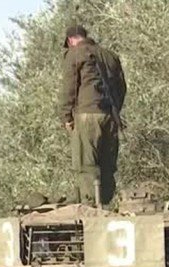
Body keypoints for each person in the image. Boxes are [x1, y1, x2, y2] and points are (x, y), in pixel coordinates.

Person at [58, 24, 127, 206]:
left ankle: (90, 208)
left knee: (86, 164)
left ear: (71, 40)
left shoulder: (74, 53)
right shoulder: (110, 56)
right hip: (110, 117)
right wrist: (115, 112)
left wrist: (66, 116)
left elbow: (69, 88)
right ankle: (105, 205)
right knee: (107, 166)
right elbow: (121, 88)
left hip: (87, 114)